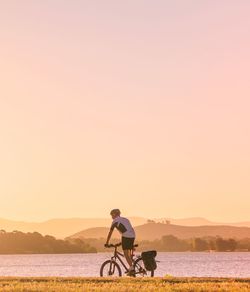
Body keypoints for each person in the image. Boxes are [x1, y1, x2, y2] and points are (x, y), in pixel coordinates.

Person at [105, 209, 136, 275]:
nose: (111, 217)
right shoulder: (125, 219)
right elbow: (129, 229)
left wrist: (107, 243)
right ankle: (131, 269)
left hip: (126, 236)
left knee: (125, 254)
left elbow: (110, 232)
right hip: (132, 235)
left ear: (114, 214)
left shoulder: (115, 221)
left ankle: (132, 269)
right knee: (128, 254)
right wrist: (122, 242)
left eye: (111, 215)